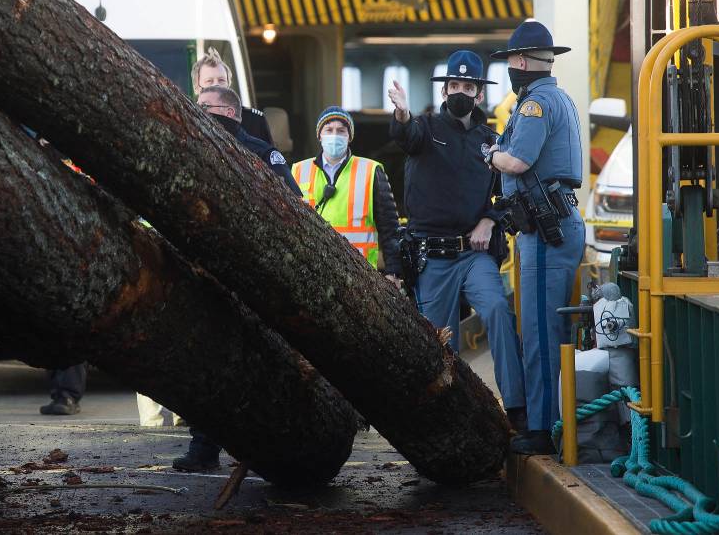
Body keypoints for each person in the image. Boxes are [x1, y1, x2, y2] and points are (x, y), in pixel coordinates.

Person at [386, 50, 526, 432]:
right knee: (437, 343)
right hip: (433, 256)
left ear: (479, 94)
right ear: (445, 90)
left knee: (497, 309)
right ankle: (441, 422)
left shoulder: (490, 141)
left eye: (468, 86)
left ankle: (516, 408)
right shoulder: (426, 128)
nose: (461, 91)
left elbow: (506, 195)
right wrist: (401, 112)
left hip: (474, 252)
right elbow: (406, 134)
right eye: (454, 86)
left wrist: (489, 220)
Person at [170, 86, 300, 473]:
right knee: (205, 362)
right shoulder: (194, 150)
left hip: (250, 275)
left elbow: (290, 205)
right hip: (205, 270)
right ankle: (203, 447)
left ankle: (266, 448)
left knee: (256, 362)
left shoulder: (261, 153)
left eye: (205, 107)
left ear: (229, 111)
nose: (199, 113)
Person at [485, 19, 586, 455]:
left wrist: (492, 154)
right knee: (549, 327)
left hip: (546, 231)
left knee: (542, 331)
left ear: (522, 61)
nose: (510, 66)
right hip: (551, 226)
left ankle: (542, 430)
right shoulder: (554, 97)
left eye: (511, 60)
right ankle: (550, 420)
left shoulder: (535, 105)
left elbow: (518, 162)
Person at [291, 107, 401, 278]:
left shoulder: (371, 170)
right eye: (329, 130)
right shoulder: (298, 170)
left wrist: (393, 272)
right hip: (312, 269)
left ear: (349, 137)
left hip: (361, 274)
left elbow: (390, 228)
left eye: (341, 131)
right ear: (319, 135)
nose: (334, 135)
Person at [193, 47, 273, 144]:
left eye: (221, 80)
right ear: (197, 87)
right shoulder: (190, 119)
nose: (216, 85)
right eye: (209, 81)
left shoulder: (254, 121)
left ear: (229, 84)